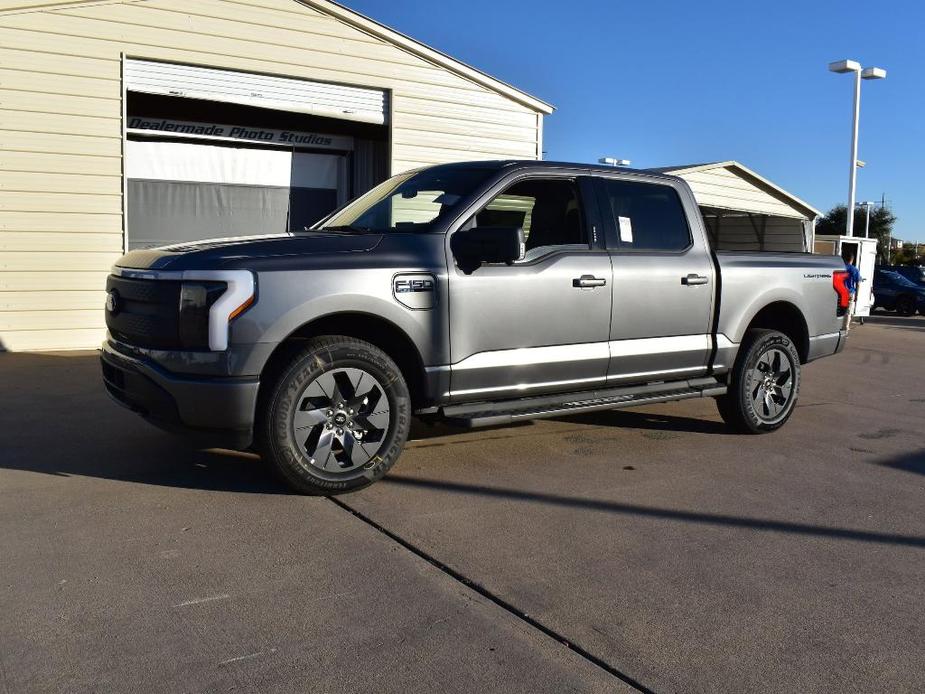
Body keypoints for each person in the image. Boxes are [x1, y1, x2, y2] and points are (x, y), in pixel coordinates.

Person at [843, 252, 862, 329]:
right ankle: (845, 328)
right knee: (848, 312)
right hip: (850, 293)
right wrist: (857, 295)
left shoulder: (841, 268)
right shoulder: (854, 270)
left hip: (840, 292)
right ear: (852, 260)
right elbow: (858, 283)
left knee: (839, 310)